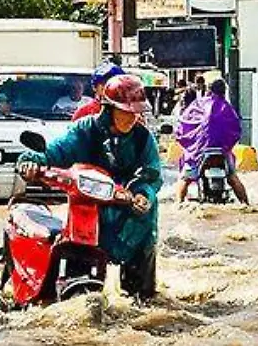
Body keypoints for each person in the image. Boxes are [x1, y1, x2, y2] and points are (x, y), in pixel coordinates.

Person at [18, 74, 161, 301]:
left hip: (132, 212)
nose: (132, 118)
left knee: (143, 296)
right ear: (109, 109)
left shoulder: (144, 139)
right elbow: (56, 152)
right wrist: (32, 160)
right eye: (126, 112)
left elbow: (152, 174)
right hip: (92, 208)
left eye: (136, 113)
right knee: (79, 282)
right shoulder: (85, 131)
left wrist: (144, 194)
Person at [176, 76, 250, 205]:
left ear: (209, 89)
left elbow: (185, 124)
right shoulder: (228, 108)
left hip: (198, 151)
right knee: (232, 177)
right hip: (222, 151)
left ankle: (178, 204)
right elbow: (236, 130)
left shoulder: (199, 104)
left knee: (185, 178)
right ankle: (246, 204)